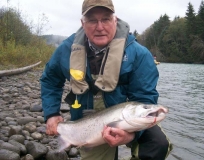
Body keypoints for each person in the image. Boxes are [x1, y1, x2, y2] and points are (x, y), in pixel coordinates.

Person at [40, 0, 172, 159]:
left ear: (115, 20)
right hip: (88, 123)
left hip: (130, 118)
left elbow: (144, 98)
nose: (100, 27)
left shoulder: (139, 54)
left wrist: (131, 136)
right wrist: (52, 113)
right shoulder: (66, 50)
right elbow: (50, 80)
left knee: (158, 144)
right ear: (83, 23)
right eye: (92, 20)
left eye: (106, 19)